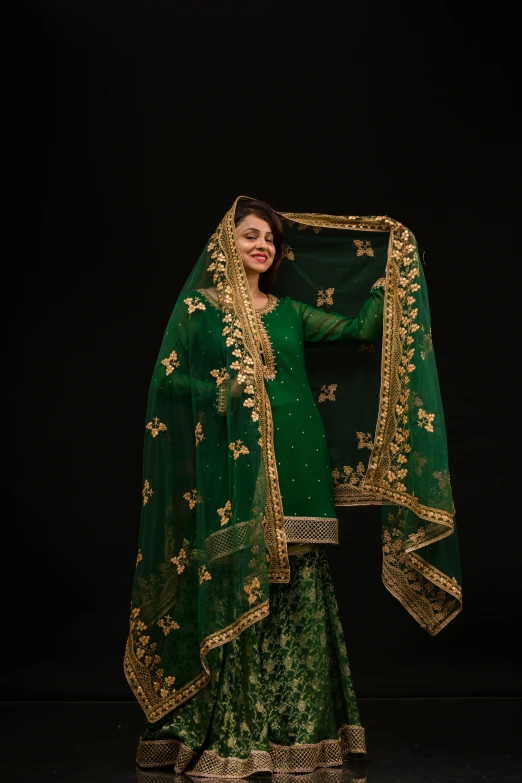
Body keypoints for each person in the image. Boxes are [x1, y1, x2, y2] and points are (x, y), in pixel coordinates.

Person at [125, 197, 461, 779]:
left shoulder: (288, 313)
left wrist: (394, 275)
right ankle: (238, 736)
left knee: (301, 584)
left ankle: (303, 738)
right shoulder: (201, 310)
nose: (262, 246)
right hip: (236, 468)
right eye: (251, 235)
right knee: (239, 581)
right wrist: (229, 391)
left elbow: (362, 329)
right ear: (225, 243)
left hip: (299, 459)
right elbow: (168, 386)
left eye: (271, 241)